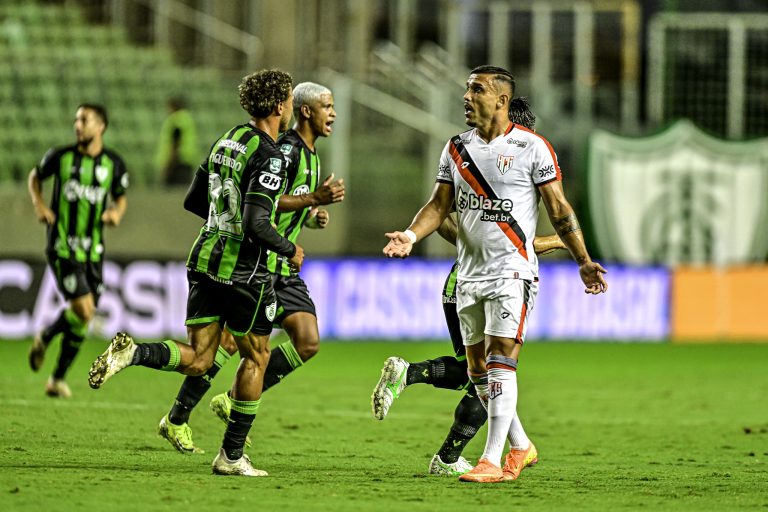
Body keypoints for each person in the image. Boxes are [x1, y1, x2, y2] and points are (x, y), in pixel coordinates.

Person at [382, 66, 607, 483]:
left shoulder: (533, 147)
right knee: (478, 372)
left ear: (502, 100)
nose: (467, 97)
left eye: (477, 90)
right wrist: (411, 235)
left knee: (502, 360)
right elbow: (439, 205)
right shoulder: (456, 148)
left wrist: (583, 260)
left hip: (512, 273)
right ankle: (521, 445)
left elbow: (559, 209)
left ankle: (490, 460)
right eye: (467, 89)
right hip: (468, 276)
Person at [87, 69, 303, 477]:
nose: (290, 107)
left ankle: (135, 353)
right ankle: (231, 456)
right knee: (256, 357)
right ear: (279, 106)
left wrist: (223, 222)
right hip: (244, 271)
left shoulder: (227, 140)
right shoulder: (271, 155)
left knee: (201, 358)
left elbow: (193, 200)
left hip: (204, 259)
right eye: (290, 100)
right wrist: (290, 248)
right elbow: (256, 223)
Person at [156, 82, 345, 454]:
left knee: (306, 341)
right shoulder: (284, 151)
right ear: (305, 110)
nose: (333, 113)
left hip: (282, 267)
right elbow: (261, 205)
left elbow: (283, 205)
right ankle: (182, 418)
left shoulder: (311, 155)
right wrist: (313, 198)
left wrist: (310, 216)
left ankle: (225, 403)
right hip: (263, 262)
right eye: (327, 106)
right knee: (227, 345)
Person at [26, 103, 128, 398]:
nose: (77, 125)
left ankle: (55, 376)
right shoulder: (61, 157)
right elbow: (34, 177)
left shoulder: (114, 164)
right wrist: (40, 205)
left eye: (84, 120)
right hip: (63, 247)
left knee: (83, 316)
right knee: (85, 310)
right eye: (76, 120)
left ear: (101, 126)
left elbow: (120, 197)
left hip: (93, 252)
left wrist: (116, 213)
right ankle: (48, 345)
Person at [156, 96, 199, 186]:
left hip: (176, 163)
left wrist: (169, 165)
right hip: (187, 160)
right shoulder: (187, 119)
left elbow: (175, 144)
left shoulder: (176, 120)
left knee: (174, 191)